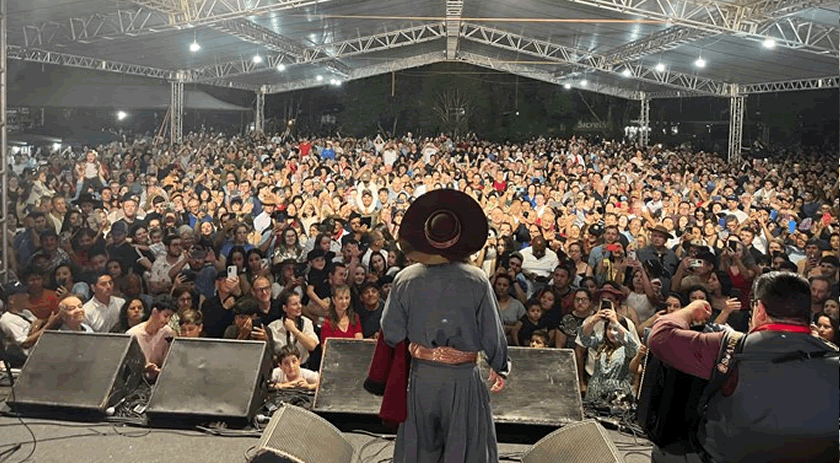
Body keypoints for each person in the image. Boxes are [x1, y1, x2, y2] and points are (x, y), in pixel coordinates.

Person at [648, 272, 839, 463]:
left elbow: (660, 337)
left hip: (727, 458)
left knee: (662, 454)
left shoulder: (731, 346)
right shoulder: (834, 356)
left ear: (760, 310)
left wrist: (690, 309)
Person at [380, 189, 509, 463]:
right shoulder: (477, 280)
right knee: (465, 447)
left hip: (422, 377)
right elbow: (492, 334)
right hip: (462, 377)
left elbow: (391, 332)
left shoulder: (404, 279)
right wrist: (500, 365)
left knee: (420, 450)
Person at [127, 295, 177, 382]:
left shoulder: (168, 333)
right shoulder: (133, 334)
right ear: (154, 312)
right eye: (165, 316)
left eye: (170, 317)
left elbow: (170, 363)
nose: (167, 321)